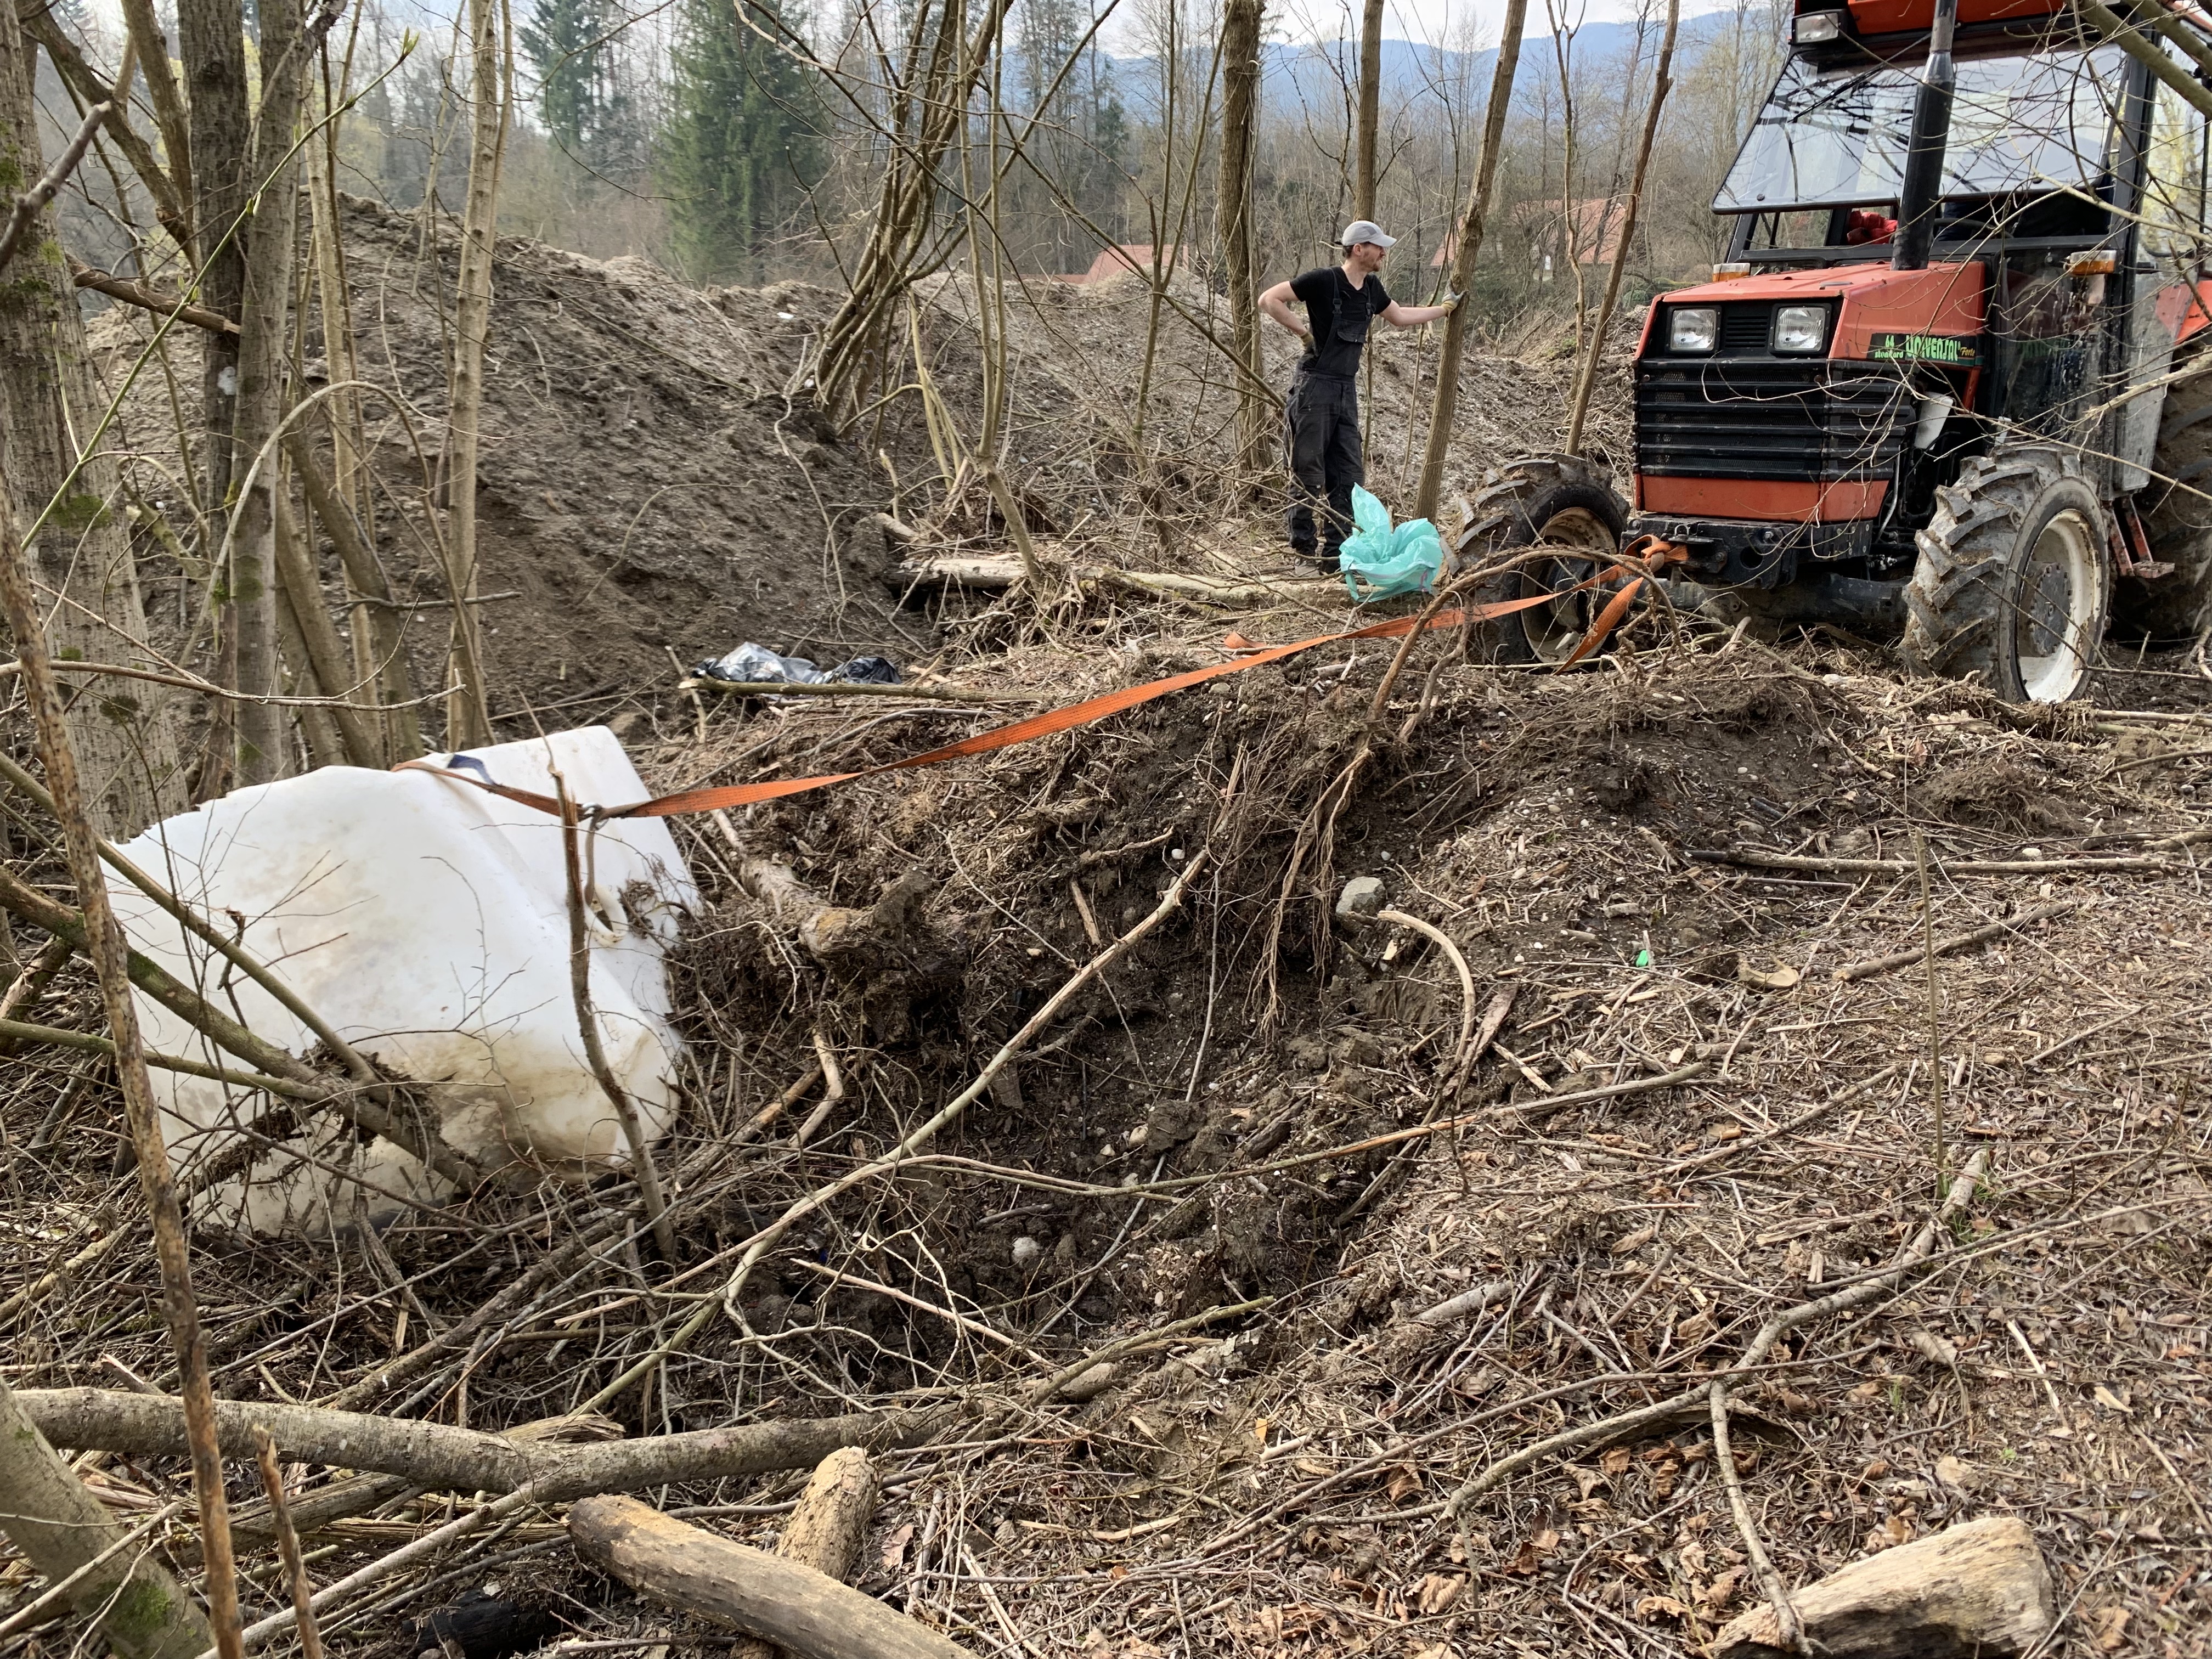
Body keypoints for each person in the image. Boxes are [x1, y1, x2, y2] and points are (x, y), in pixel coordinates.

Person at [1259, 222, 1457, 566]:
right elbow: (1269, 299)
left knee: (1349, 476)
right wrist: (1303, 334)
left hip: (1344, 389)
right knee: (1308, 473)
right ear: (1358, 249)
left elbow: (1398, 316)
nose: (1384, 252)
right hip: (1314, 387)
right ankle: (1302, 554)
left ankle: (1336, 556)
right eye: (1378, 247)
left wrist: (1443, 310)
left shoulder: (1372, 288)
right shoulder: (1323, 280)